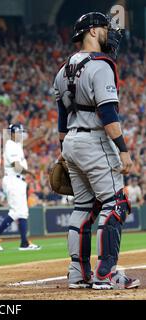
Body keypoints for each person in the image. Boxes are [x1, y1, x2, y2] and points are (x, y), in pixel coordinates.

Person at [53, 12, 140, 289]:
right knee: (116, 204)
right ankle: (106, 273)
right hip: (95, 141)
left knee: (83, 207)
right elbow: (107, 112)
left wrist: (63, 151)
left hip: (72, 143)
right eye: (104, 27)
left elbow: (61, 119)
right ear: (91, 32)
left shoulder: (62, 69)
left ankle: (78, 273)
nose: (108, 32)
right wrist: (123, 150)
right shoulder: (102, 65)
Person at [0, 123, 42, 251]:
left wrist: (37, 138)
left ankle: (24, 243)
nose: (20, 134)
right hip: (13, 180)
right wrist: (29, 172)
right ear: (11, 134)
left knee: (23, 213)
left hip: (19, 182)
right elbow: (16, 166)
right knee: (16, 212)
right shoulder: (10, 145)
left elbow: (26, 144)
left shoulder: (17, 145)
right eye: (18, 132)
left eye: (21, 132)